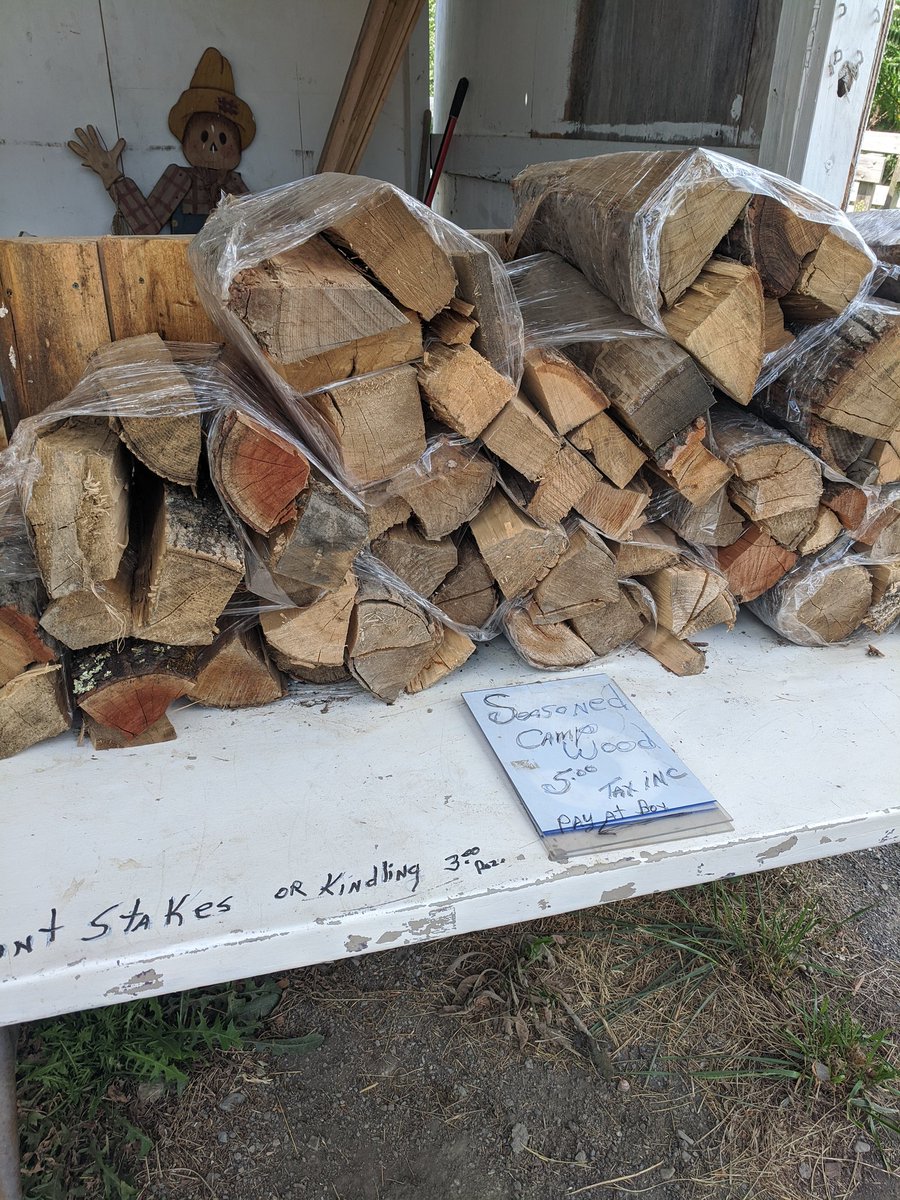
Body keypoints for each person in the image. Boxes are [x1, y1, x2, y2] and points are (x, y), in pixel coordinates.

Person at [68, 47, 254, 234]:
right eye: (204, 136)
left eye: (223, 138)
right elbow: (147, 226)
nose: (213, 146)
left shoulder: (233, 184)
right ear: (187, 140)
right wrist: (111, 176)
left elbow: (256, 229)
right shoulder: (181, 178)